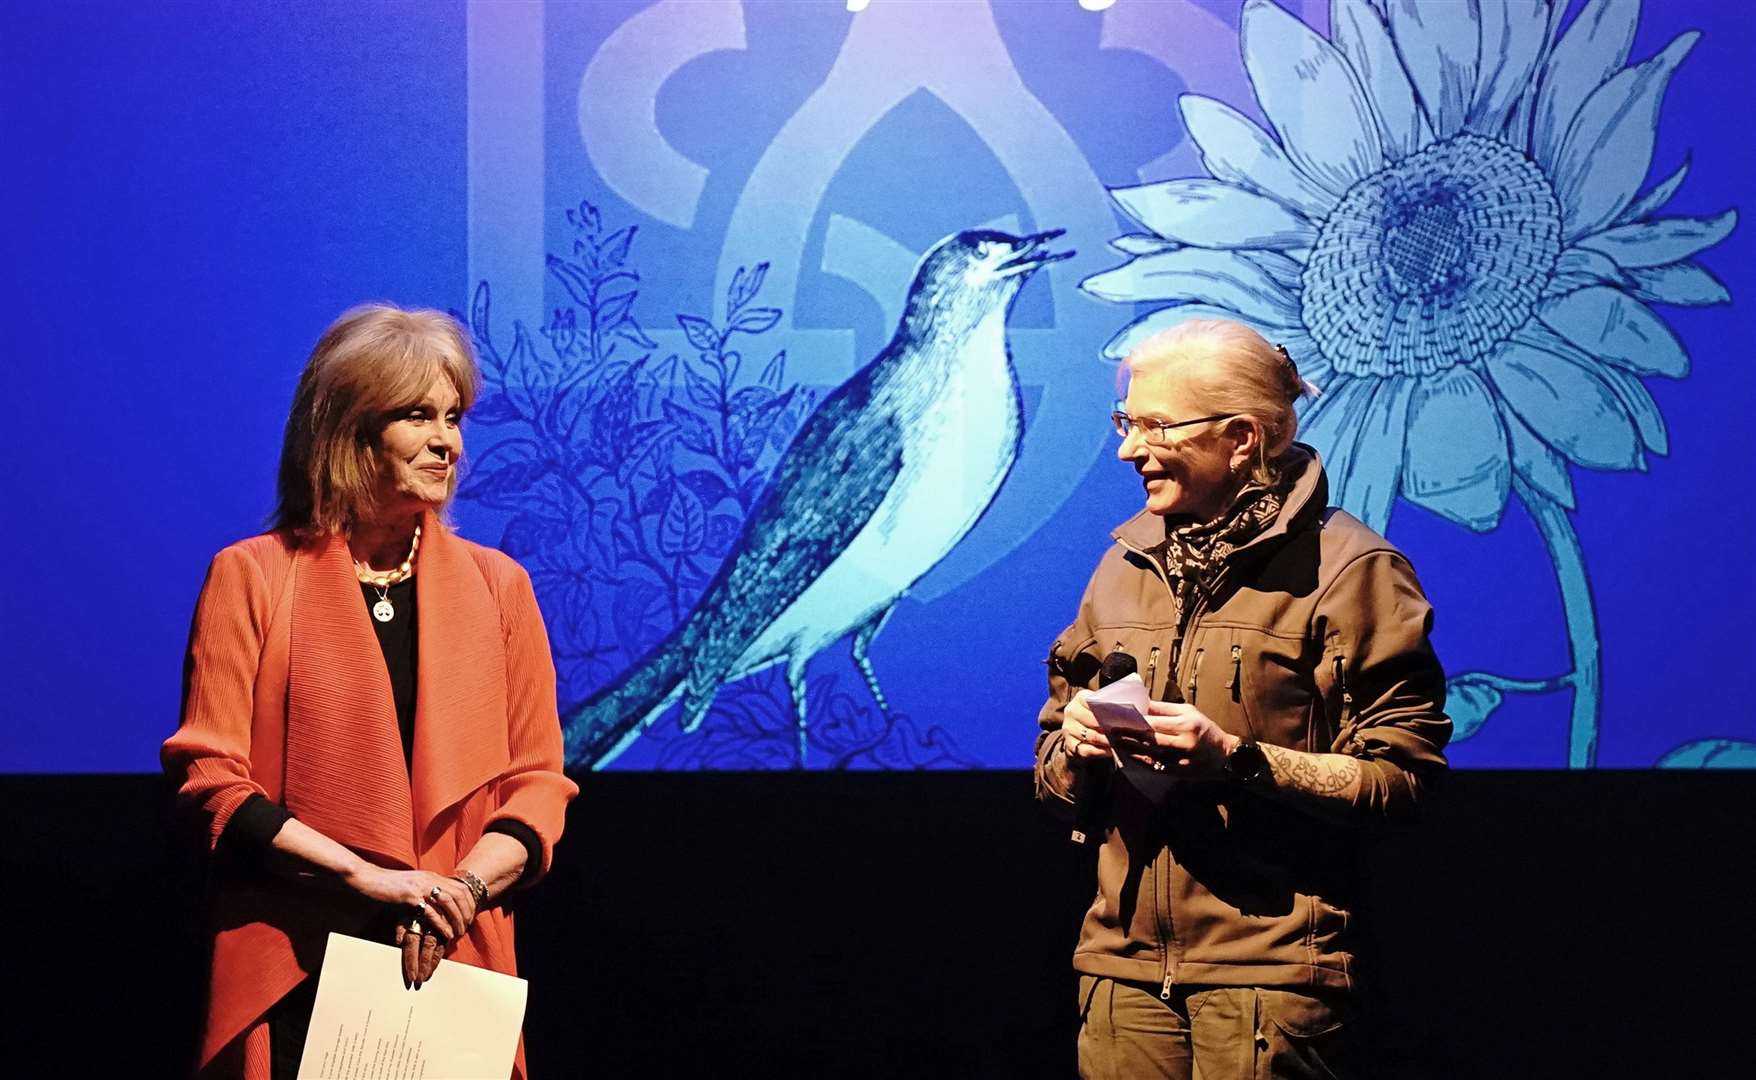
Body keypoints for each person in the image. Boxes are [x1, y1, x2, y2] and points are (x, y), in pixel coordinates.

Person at [164, 304, 578, 1079]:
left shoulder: (500, 588)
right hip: (299, 959)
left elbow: (538, 785)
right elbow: (210, 782)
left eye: (453, 416)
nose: (446, 441)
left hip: (454, 958)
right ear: (348, 430)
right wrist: (370, 878)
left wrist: (456, 890)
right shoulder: (251, 576)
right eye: (417, 415)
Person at [1034, 319, 1450, 1079]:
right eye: (1126, 422)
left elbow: (1407, 782)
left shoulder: (1352, 572)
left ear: (1242, 438)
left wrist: (1234, 760)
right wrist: (1078, 749)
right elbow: (1054, 777)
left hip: (1273, 980)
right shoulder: (1120, 569)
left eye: (1155, 426)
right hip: (1121, 975)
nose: (1128, 449)